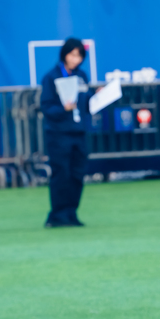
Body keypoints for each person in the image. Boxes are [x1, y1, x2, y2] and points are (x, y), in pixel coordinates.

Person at [41, 38, 93, 228]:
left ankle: (72, 212)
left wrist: (98, 96)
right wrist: (64, 108)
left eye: (79, 56)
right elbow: (46, 108)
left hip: (79, 132)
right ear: (64, 54)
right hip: (58, 133)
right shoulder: (51, 77)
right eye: (72, 54)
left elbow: (87, 103)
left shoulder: (82, 76)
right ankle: (57, 214)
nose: (75, 59)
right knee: (61, 174)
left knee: (77, 174)